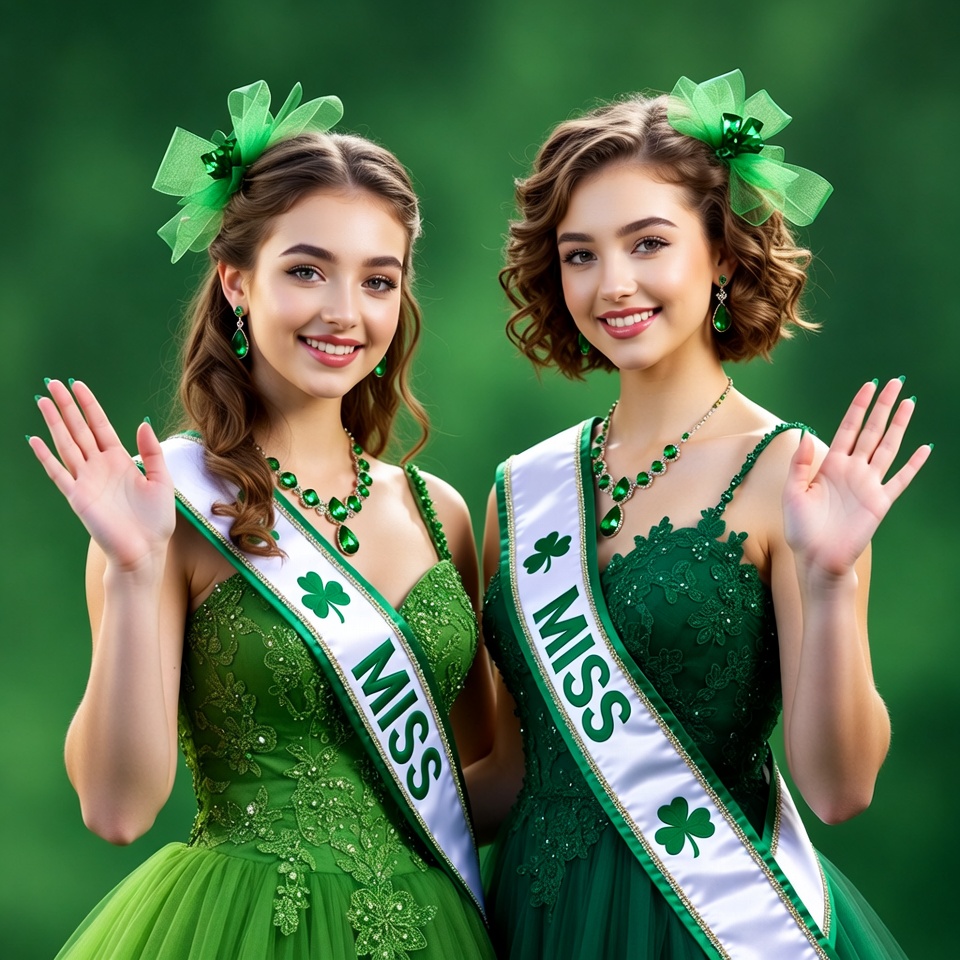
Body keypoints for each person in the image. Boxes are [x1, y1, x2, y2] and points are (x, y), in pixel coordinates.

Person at [29, 80, 495, 960]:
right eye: (307, 270)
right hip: (243, 925)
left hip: (433, 933)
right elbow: (117, 809)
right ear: (236, 281)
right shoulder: (170, 505)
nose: (344, 312)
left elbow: (486, 781)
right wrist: (131, 571)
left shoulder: (441, 516)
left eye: (378, 280)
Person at [472, 69, 929, 959]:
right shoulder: (522, 491)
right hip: (534, 921)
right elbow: (514, 771)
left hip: (712, 923)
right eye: (580, 254)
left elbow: (838, 791)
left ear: (720, 255)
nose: (614, 284)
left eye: (648, 244)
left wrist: (831, 581)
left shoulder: (792, 479)